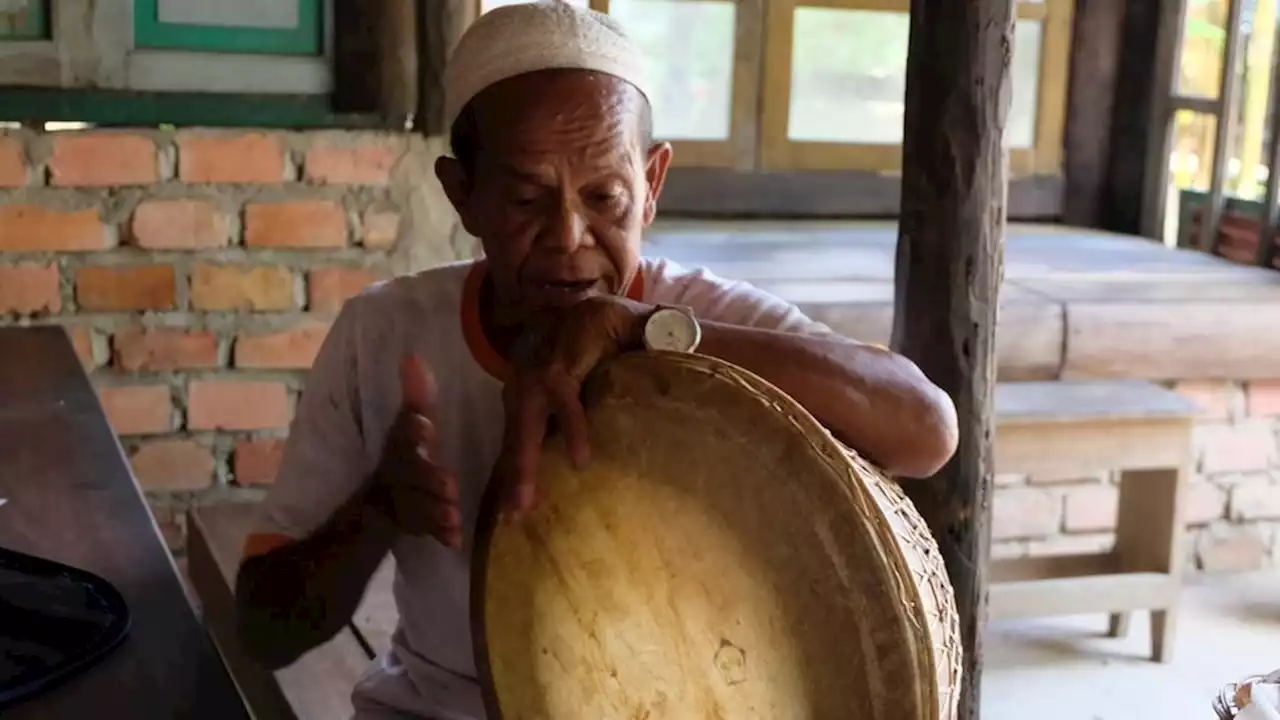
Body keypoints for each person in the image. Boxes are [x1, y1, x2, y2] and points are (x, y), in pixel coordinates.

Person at [233, 2, 959, 718]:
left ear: (652, 186)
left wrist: (645, 331)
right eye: (525, 198)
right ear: (463, 195)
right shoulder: (384, 335)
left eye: (604, 196)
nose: (568, 236)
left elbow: (926, 428)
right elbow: (264, 630)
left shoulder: (697, 315)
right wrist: (378, 510)